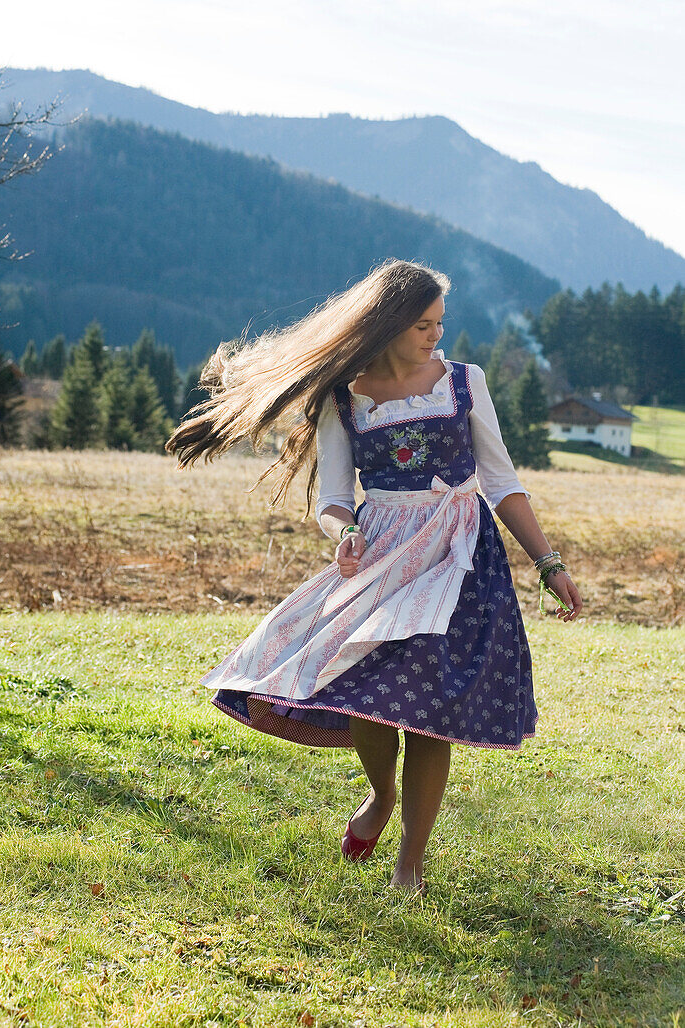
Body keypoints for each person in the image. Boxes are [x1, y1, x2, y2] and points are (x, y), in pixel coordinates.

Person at [166, 259, 582, 893]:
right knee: (370, 687)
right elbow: (333, 498)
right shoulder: (343, 398)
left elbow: (500, 481)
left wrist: (548, 563)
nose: (434, 336)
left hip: (458, 558)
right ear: (386, 324)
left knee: (430, 706)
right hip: (383, 556)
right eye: (421, 324)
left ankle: (410, 861)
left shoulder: (465, 382)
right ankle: (381, 795)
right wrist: (345, 534)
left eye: (439, 323)